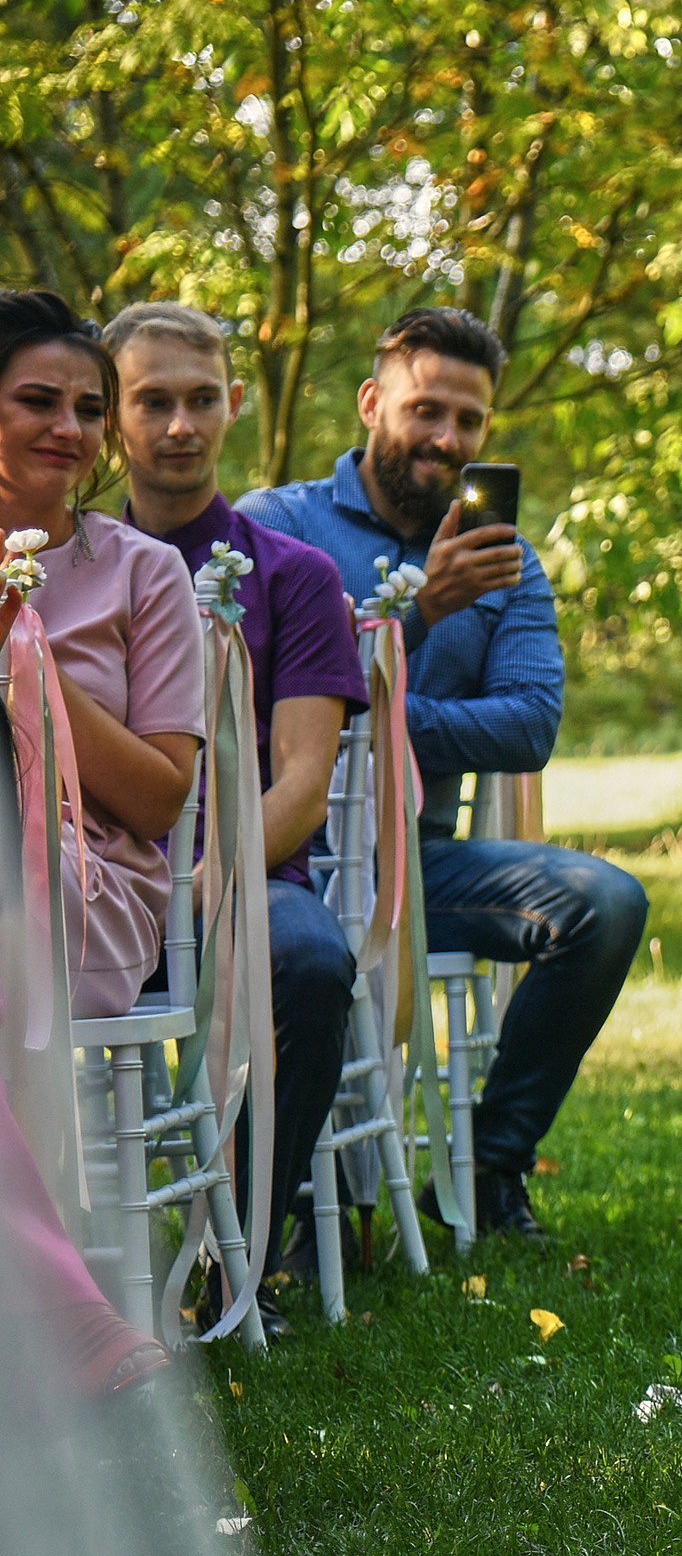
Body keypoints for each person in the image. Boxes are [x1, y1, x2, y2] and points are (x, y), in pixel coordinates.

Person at [239, 308, 647, 1242]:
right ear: (373, 403)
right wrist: (418, 615)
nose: (446, 439)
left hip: (422, 866)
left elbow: (528, 726)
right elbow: (256, 714)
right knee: (312, 947)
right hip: (293, 860)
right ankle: (310, 1202)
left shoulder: (509, 560)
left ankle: (490, 1166)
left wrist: (367, 714)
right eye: (427, 410)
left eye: (469, 422)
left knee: (606, 903)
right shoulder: (278, 526)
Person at [103, 302, 370, 1340]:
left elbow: (303, 779)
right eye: (153, 400)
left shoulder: (295, 575)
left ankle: (237, 1248)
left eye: (201, 399)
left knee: (306, 962)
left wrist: (204, 879)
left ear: (235, 405)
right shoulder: (65, 572)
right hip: (87, 882)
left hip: (244, 880)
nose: (180, 424)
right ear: (111, 416)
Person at [0, 291, 206, 1020]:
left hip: (89, 896)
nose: (69, 428)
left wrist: (24, 654)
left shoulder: (145, 572)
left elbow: (160, 799)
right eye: (38, 401)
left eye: (89, 411)